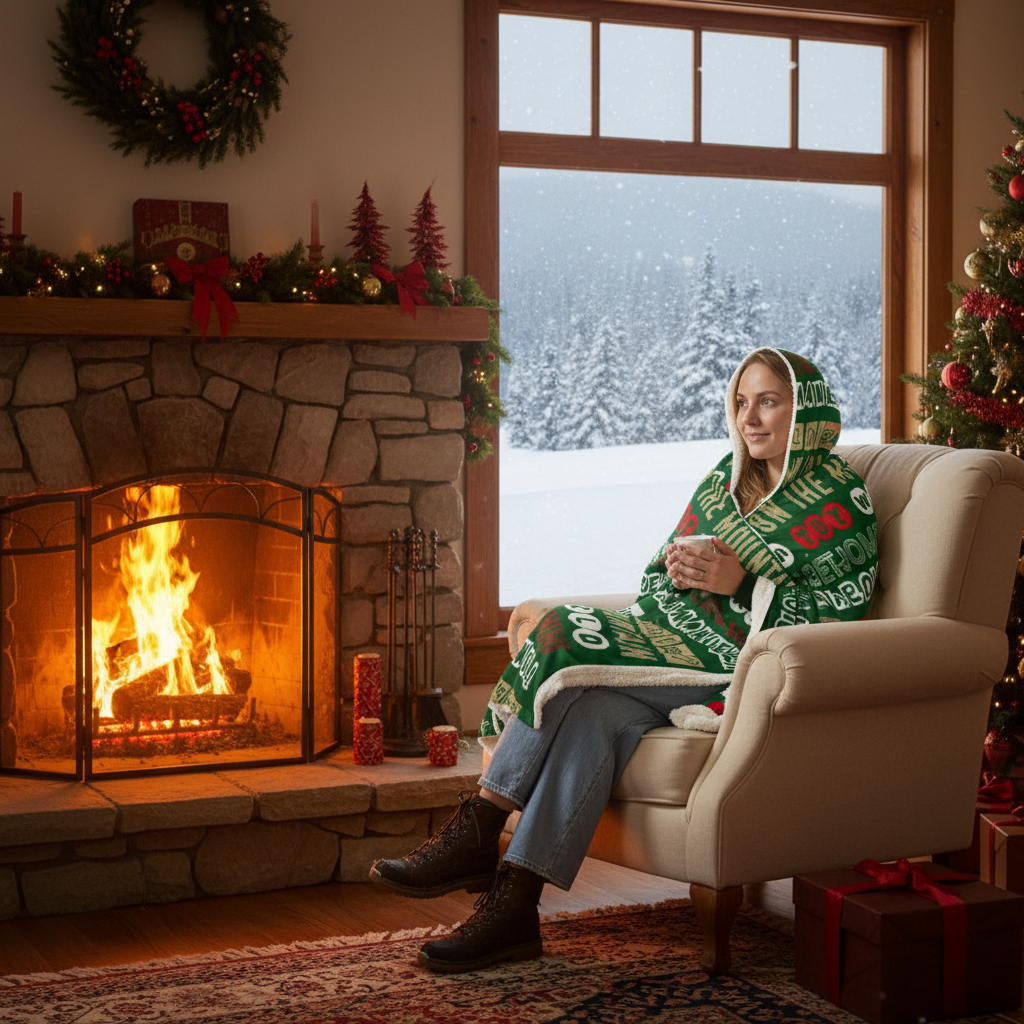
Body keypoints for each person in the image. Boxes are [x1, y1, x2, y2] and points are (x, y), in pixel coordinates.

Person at [369, 347, 878, 974]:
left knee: (559, 628)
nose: (751, 417)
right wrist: (682, 572)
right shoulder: (726, 477)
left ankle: (480, 823)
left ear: (808, 411)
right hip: (673, 638)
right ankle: (514, 909)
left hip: (742, 665)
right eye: (742, 401)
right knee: (592, 712)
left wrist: (741, 582)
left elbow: (841, 611)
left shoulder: (841, 495)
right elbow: (657, 574)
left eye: (769, 401)